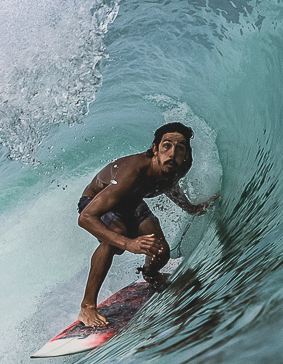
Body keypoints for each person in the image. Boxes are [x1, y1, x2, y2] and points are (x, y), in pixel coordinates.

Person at [74, 122, 217, 329]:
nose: (172, 153)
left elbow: (169, 184)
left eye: (180, 148)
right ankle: (87, 307)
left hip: (131, 201)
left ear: (186, 154)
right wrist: (128, 243)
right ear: (154, 148)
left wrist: (190, 208)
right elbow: (86, 218)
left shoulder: (181, 165)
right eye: (166, 146)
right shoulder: (134, 172)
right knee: (115, 234)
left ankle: (150, 275)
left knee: (160, 252)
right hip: (96, 200)